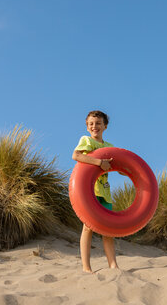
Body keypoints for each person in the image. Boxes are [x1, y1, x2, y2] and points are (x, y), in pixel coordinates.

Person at [72, 110, 118, 273]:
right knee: (88, 227)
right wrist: (99, 162)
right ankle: (86, 267)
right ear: (87, 127)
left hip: (105, 192)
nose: (94, 126)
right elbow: (76, 155)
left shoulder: (110, 147)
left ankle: (113, 265)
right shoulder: (86, 141)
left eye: (98, 123)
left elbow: (119, 164)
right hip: (89, 191)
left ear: (105, 126)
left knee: (108, 230)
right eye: (91, 124)